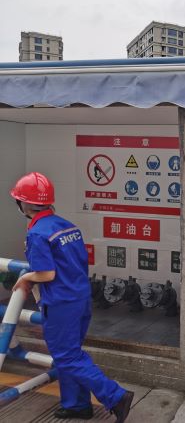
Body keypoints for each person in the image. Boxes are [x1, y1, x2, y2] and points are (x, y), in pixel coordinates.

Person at [10, 172, 134, 422]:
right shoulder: (67, 226)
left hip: (60, 303)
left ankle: (116, 396)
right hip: (80, 298)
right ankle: (77, 405)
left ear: (23, 204)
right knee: (71, 354)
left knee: (66, 356)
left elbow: (46, 273)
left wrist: (25, 278)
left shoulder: (37, 233)